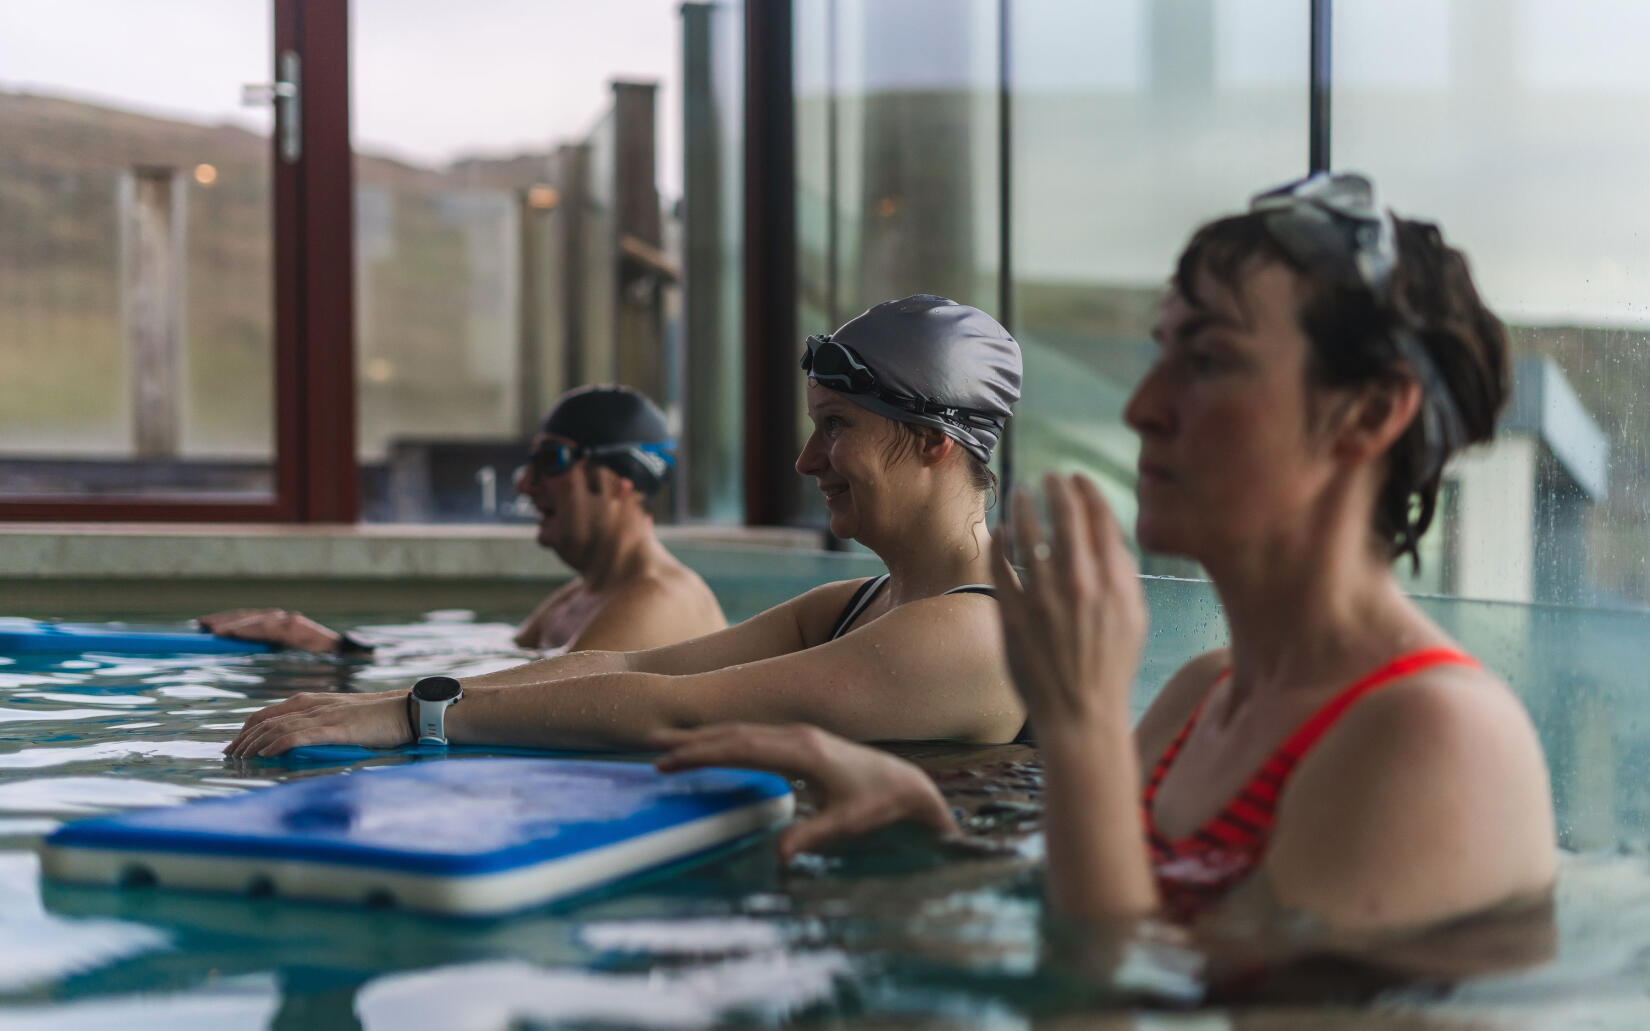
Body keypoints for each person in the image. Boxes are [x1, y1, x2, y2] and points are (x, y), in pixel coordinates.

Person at [653, 174, 1557, 938]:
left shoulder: (1436, 739)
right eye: (1160, 351)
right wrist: (930, 836)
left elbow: (1115, 998)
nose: (1143, 407)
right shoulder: (1200, 700)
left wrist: (1078, 723)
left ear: (1367, 414)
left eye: (1207, 359)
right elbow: (1131, 926)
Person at [225, 294, 1027, 758]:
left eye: (838, 425)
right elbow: (631, 662)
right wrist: (390, 694)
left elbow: (679, 710)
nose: (807, 460)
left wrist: (413, 717)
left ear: (934, 443)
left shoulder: (971, 630)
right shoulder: (854, 605)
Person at [201, 385, 728, 655]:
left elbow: (545, 700)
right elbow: (495, 660)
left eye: (551, 461)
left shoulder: (655, 601)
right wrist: (329, 643)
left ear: (621, 480)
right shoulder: (583, 596)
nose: (523, 483)